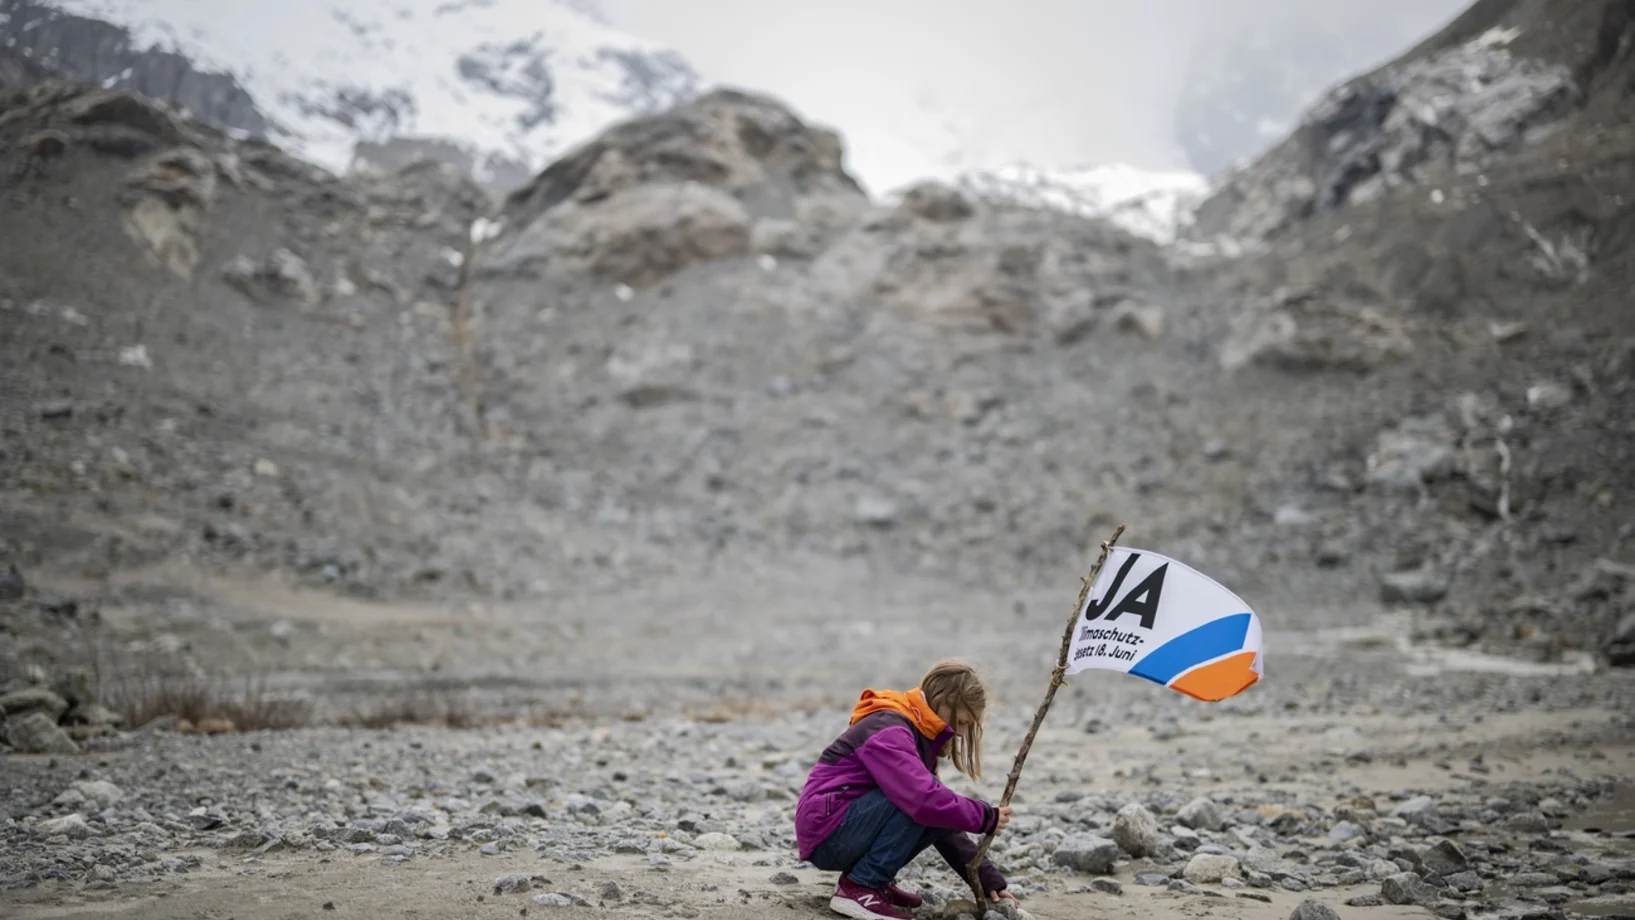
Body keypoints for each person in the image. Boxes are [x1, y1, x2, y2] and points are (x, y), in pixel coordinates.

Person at [795, 659, 1015, 920]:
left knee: (938, 807)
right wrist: (985, 817)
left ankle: (872, 880)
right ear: (943, 701)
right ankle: (860, 887)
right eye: (963, 722)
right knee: (921, 801)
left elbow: (945, 824)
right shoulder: (890, 728)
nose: (960, 732)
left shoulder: (918, 732)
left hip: (845, 825)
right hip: (826, 830)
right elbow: (922, 800)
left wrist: (989, 880)